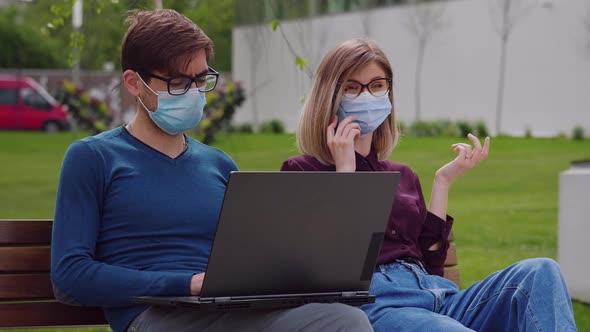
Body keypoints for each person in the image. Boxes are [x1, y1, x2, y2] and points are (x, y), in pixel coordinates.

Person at [50, 10, 373, 332]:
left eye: (201, 79)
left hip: (233, 312)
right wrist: (186, 284)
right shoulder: (93, 157)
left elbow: (247, 255)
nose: (194, 92)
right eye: (177, 82)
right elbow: (71, 274)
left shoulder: (218, 164)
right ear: (134, 83)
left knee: (345, 320)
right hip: (156, 316)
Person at [280, 38, 577, 332]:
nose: (367, 96)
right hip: (377, 306)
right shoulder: (302, 171)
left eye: (377, 85)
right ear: (330, 95)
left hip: (437, 296)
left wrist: (442, 182)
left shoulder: (403, 175)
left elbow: (433, 264)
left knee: (542, 272)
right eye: (352, 87)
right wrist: (345, 171)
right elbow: (320, 272)